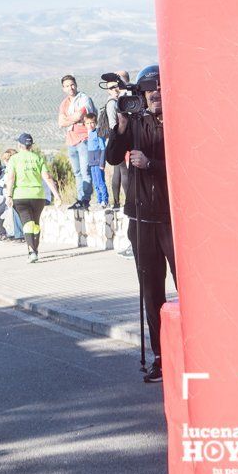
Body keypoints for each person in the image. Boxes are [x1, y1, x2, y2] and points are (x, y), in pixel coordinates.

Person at [106, 64, 175, 384]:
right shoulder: (135, 124)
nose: (156, 96)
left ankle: (194, 349)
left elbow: (187, 163)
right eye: (151, 92)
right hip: (141, 219)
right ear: (143, 96)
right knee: (151, 292)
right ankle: (162, 357)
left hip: (175, 220)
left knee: (187, 289)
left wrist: (152, 164)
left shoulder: (180, 121)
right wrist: (119, 126)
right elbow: (111, 157)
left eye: (161, 90)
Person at [6, 134, 62, 263]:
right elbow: (47, 177)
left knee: (27, 223)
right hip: (38, 196)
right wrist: (57, 195)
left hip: (20, 196)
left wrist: (8, 195)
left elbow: (10, 178)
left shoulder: (14, 159)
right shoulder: (37, 158)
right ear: (31, 145)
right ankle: (34, 251)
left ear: (19, 145)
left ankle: (32, 252)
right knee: (35, 224)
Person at [57, 74, 95, 210]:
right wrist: (74, 119)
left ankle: (86, 199)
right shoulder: (64, 103)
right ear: (63, 88)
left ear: (76, 85)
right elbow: (61, 122)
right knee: (77, 172)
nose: (70, 88)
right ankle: (79, 199)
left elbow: (80, 115)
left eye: (72, 84)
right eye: (67, 86)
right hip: (71, 140)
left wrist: (71, 118)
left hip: (83, 138)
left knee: (86, 171)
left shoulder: (84, 99)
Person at [104, 74, 129, 209]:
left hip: (115, 139)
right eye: (111, 87)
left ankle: (117, 202)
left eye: (115, 86)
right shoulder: (113, 103)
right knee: (123, 170)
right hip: (117, 139)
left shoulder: (113, 101)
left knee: (118, 171)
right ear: (108, 90)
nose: (114, 89)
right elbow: (114, 124)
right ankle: (127, 200)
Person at [84, 113, 109, 208]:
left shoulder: (98, 133)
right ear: (85, 124)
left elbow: (103, 148)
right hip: (92, 162)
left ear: (96, 123)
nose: (90, 125)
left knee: (100, 181)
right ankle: (99, 200)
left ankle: (105, 200)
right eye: (87, 123)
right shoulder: (89, 134)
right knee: (95, 182)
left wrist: (102, 162)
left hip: (98, 161)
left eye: (92, 123)